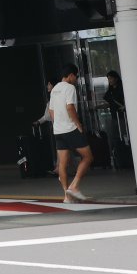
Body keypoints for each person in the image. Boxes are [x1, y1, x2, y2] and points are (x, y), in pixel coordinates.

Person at [49, 65, 93, 202]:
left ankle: (66, 196)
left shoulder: (55, 89)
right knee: (88, 157)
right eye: (76, 76)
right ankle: (74, 186)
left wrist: (58, 123)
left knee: (62, 164)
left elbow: (51, 111)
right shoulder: (70, 88)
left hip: (58, 131)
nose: (76, 79)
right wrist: (78, 124)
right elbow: (70, 107)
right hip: (70, 129)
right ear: (70, 75)